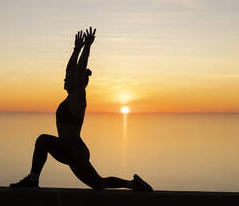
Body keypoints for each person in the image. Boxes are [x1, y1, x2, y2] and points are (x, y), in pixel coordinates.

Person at [10, 27, 152, 191]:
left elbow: (77, 71)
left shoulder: (78, 98)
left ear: (77, 81)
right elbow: (70, 70)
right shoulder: (71, 96)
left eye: (68, 79)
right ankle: (132, 184)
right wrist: (76, 49)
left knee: (43, 141)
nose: (64, 79)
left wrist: (87, 47)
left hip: (73, 149)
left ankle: (33, 179)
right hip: (72, 149)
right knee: (98, 183)